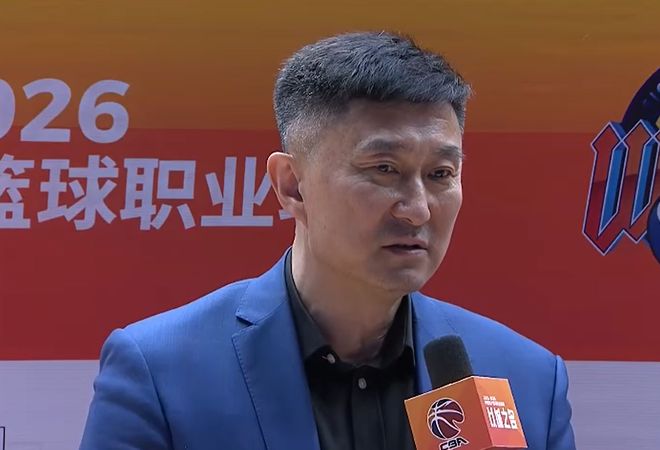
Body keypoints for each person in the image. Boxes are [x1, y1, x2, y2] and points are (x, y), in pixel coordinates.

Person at [80, 31, 576, 450]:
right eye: (384, 169)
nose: (418, 209)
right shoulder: (160, 373)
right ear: (292, 186)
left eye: (441, 174)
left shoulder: (526, 380)